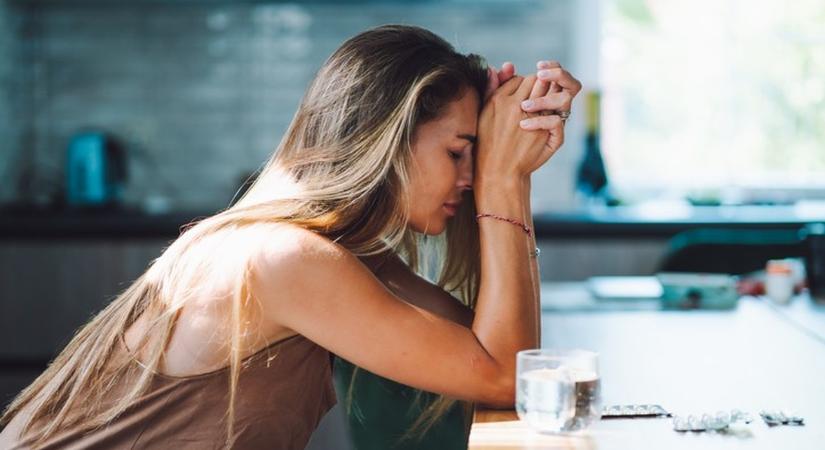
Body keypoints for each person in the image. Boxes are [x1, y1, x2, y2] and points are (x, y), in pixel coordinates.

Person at [0, 24, 580, 449]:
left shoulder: (346, 257)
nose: (470, 177)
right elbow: (508, 374)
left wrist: (507, 165)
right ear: (383, 140)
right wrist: (505, 179)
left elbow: (501, 359)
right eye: (458, 151)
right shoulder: (285, 258)